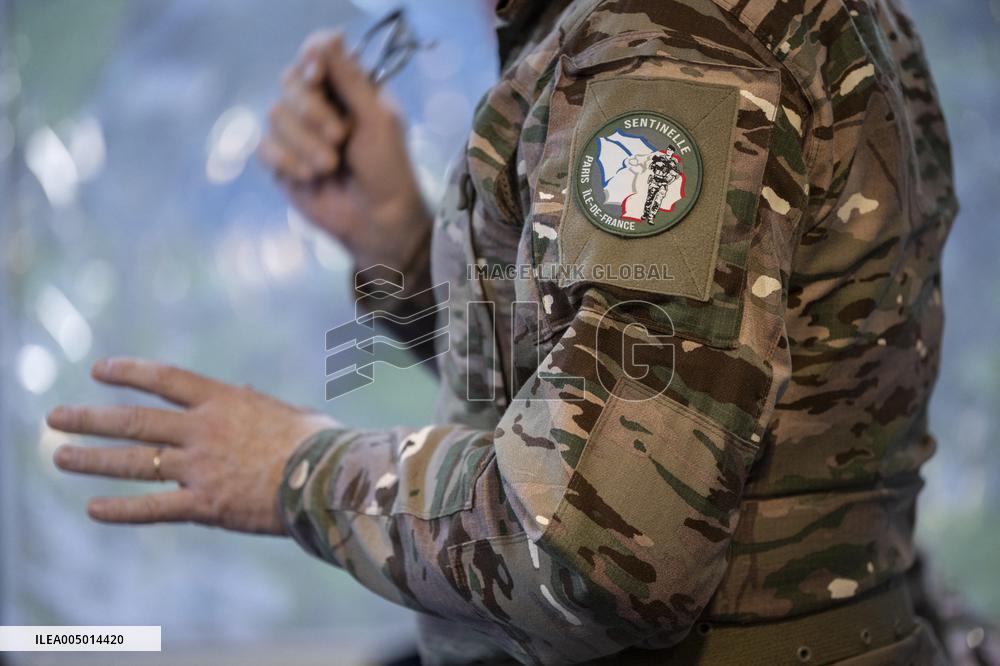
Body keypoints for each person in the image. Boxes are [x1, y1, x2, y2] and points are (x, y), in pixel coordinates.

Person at [48, 0, 980, 663]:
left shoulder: (672, 54)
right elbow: (641, 388)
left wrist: (296, 470)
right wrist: (399, 242)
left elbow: (594, 549)